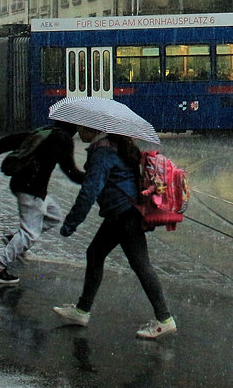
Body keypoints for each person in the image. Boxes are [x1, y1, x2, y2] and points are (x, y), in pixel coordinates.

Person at [54, 127, 176, 339]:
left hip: (123, 216)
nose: (78, 131)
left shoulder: (103, 152)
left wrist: (71, 223)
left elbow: (89, 192)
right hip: (123, 213)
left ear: (93, 128)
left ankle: (165, 319)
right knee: (96, 254)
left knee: (140, 264)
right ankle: (82, 310)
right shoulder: (116, 144)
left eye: (82, 127)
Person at [0, 121, 85, 285]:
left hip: (22, 184)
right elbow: (71, 171)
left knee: (54, 216)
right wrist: (93, 178)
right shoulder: (63, 139)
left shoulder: (43, 131)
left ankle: (14, 239)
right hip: (32, 189)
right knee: (30, 233)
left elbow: (9, 140)